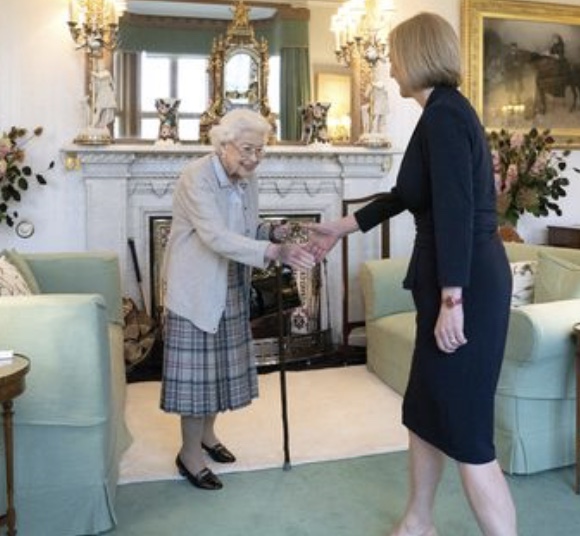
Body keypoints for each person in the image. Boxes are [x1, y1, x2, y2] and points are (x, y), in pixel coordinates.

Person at [307, 12, 517, 536]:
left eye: (395, 55)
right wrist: (340, 227)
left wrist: (452, 300)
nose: (391, 66)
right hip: (453, 280)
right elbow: (405, 196)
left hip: (467, 285)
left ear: (417, 56)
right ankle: (417, 522)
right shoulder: (438, 113)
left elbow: (455, 213)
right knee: (424, 410)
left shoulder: (445, 116)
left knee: (468, 430)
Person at [159, 108, 316, 491]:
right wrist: (274, 252)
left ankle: (207, 437)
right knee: (198, 379)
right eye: (247, 149)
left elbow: (245, 228)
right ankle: (189, 455)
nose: (254, 158)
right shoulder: (196, 177)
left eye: (260, 150)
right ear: (223, 144)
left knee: (219, 371)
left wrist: (275, 232)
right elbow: (214, 235)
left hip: (231, 282)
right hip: (196, 287)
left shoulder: (247, 179)